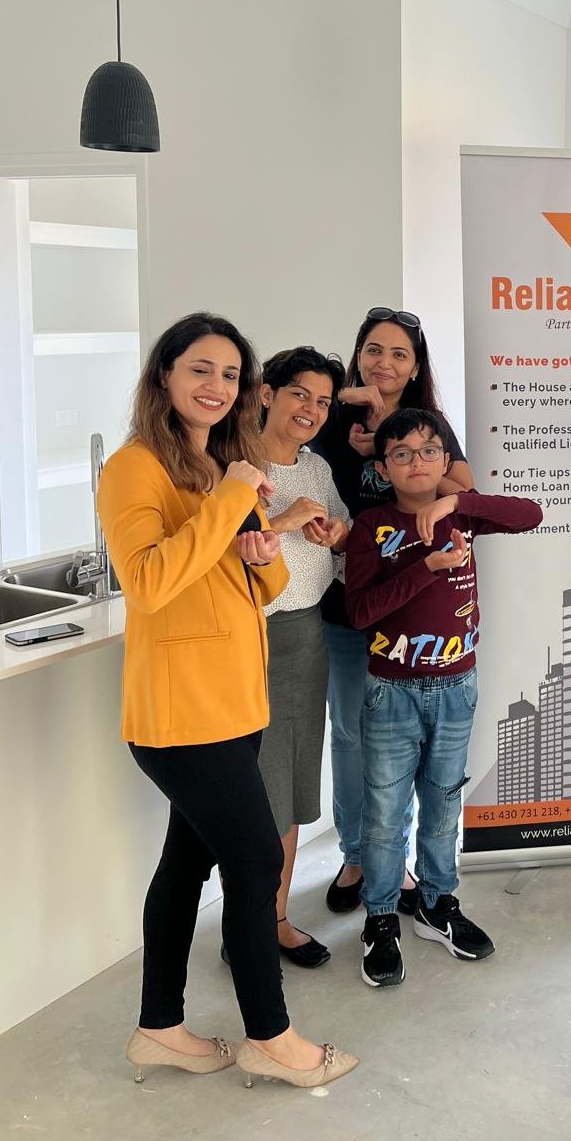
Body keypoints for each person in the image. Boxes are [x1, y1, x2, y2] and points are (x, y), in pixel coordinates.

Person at [98, 312, 356, 1089]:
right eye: (201, 369)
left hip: (235, 702)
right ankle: (270, 1038)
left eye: (230, 374)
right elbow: (147, 582)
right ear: (165, 376)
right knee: (254, 858)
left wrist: (259, 547)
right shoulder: (135, 468)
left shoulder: (217, 468)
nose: (217, 386)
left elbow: (259, 586)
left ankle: (159, 1028)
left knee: (186, 863)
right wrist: (232, 501)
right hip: (181, 712)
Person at [344, 407, 542, 988]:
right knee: (385, 813)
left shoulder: (464, 515)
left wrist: (458, 499)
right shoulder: (371, 526)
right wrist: (428, 567)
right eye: (402, 453)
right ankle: (382, 916)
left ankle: (437, 903)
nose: (418, 462)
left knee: (443, 803)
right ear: (383, 467)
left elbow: (530, 513)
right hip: (392, 691)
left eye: (430, 450)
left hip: (457, 685)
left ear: (444, 460)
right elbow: (361, 612)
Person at [315, 308, 474, 917]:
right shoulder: (331, 417)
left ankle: (396, 862)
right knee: (351, 734)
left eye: (399, 353)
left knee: (407, 747)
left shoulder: (424, 424)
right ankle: (358, 854)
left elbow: (465, 490)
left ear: (415, 367)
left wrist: (390, 431)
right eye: (373, 350)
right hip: (347, 602)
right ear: (358, 356)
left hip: (418, 611)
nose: (384, 362)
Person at [256, 346, 351, 969]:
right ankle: (253, 924)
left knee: (290, 787)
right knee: (256, 792)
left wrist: (337, 535)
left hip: (305, 637)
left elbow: (343, 535)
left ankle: (274, 919)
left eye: (322, 401)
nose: (311, 410)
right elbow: (214, 545)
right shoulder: (231, 464)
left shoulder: (316, 468)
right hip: (246, 638)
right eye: (299, 394)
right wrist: (283, 520)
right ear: (267, 393)